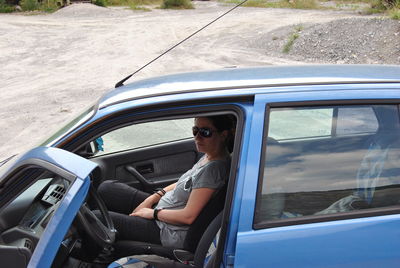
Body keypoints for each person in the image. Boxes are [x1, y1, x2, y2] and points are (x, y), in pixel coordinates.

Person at [97, 115, 235, 249]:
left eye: (205, 132)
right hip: (164, 210)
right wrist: (153, 198)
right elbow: (185, 182)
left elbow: (189, 216)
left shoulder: (213, 170)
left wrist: (152, 213)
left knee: (97, 218)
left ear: (223, 135)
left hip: (168, 230)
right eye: (195, 130)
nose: (197, 137)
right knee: (107, 189)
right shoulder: (209, 156)